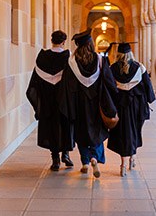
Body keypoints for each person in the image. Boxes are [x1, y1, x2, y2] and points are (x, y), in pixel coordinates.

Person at [59, 28, 118, 178]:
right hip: (96, 105)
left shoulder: (72, 62)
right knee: (96, 132)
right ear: (91, 44)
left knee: (81, 132)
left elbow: (66, 85)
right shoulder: (100, 60)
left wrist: (69, 105)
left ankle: (85, 161)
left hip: (78, 105)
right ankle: (94, 158)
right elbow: (110, 83)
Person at [26, 30, 74, 171]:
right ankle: (66, 154)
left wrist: (38, 104)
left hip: (48, 100)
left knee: (51, 127)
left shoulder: (42, 57)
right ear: (64, 42)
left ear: (51, 40)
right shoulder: (68, 57)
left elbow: (34, 84)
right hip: (63, 100)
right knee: (65, 125)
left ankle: (55, 159)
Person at [107, 42, 156, 177]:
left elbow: (109, 89)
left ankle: (123, 164)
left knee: (122, 134)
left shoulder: (112, 69)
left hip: (120, 106)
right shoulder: (139, 68)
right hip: (136, 107)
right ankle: (132, 158)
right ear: (130, 54)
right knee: (134, 131)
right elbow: (148, 87)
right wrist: (150, 99)